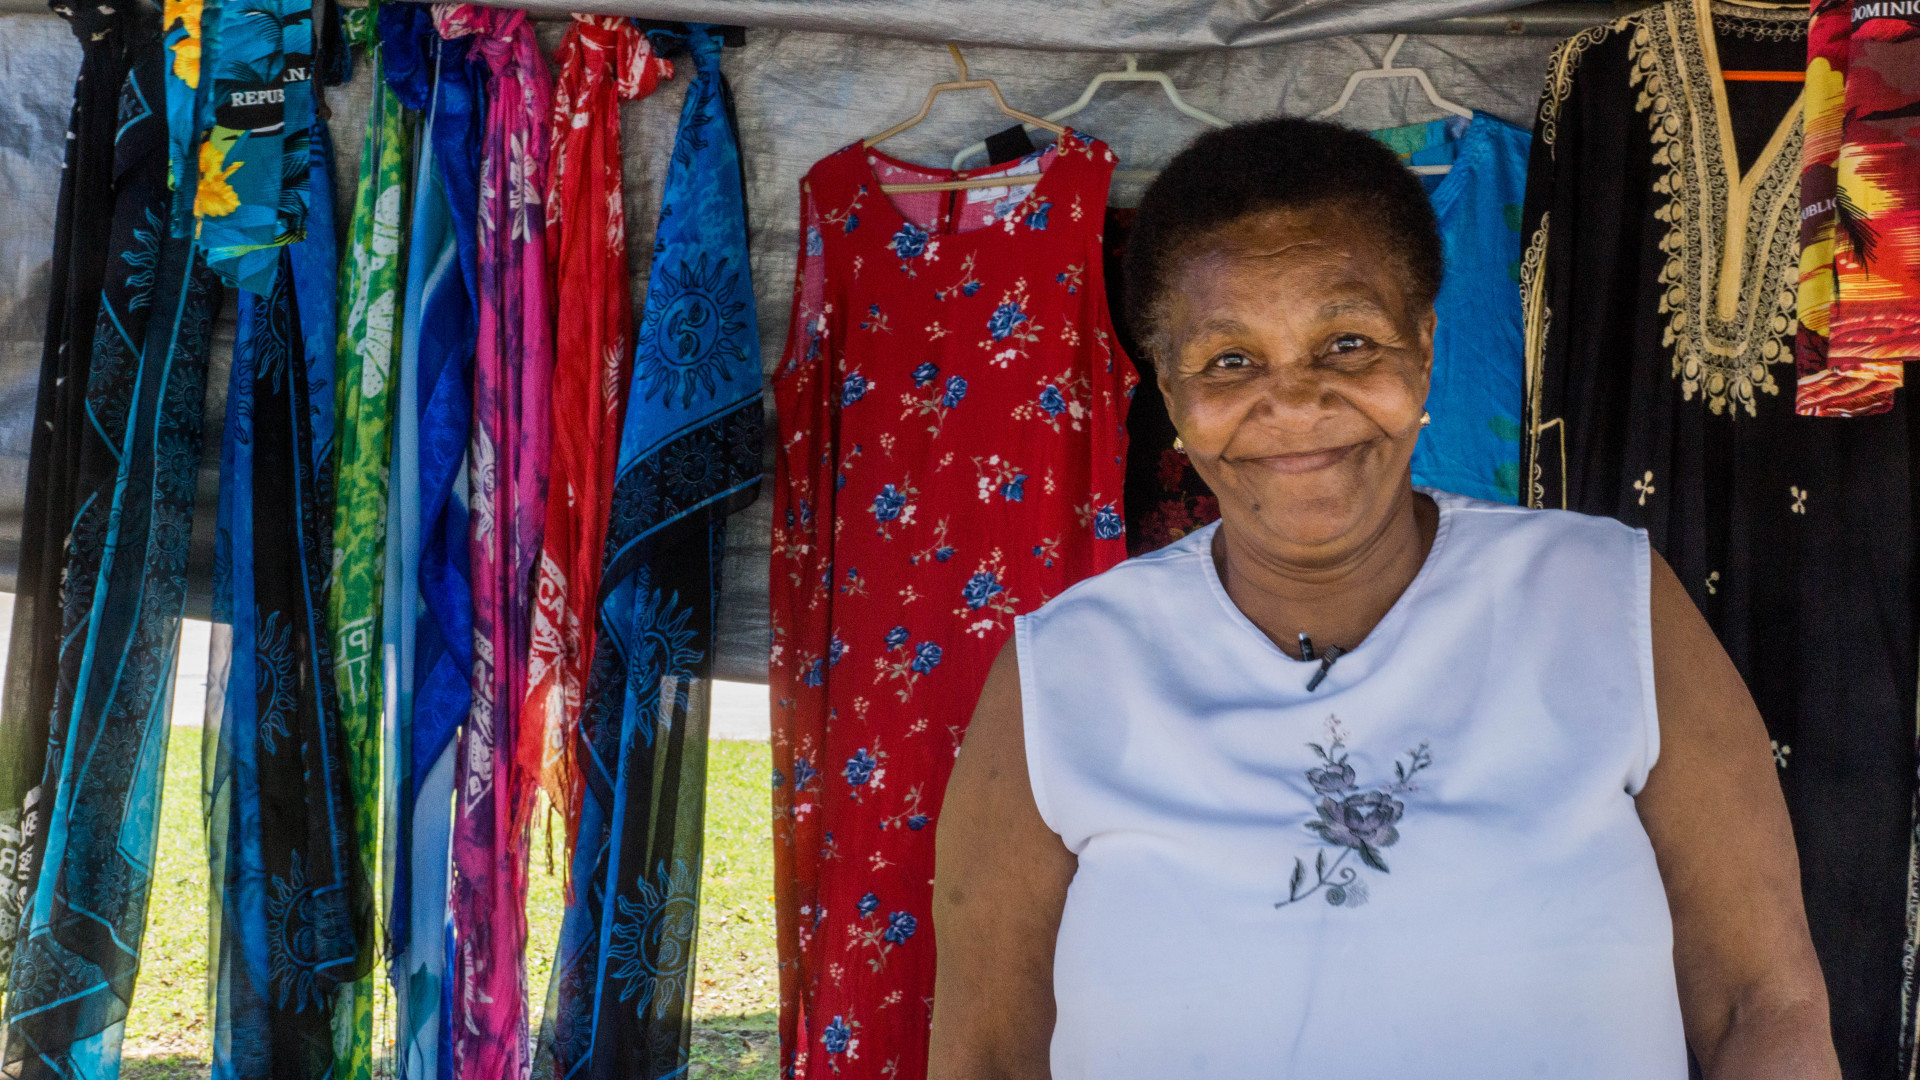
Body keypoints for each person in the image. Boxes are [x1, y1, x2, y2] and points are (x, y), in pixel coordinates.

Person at [925, 118, 1837, 1080]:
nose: (1295, 403)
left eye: (1347, 343)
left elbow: (1763, 1006)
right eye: (1230, 360)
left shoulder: (1605, 600)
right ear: (1169, 389)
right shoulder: (1065, 673)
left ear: (1425, 345)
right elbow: (985, 1058)